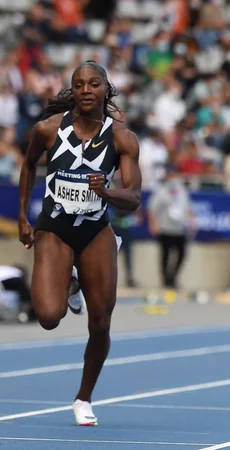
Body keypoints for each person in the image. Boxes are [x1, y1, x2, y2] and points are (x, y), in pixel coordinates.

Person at [17, 61, 142, 426]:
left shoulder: (122, 139)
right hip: (54, 227)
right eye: (79, 85)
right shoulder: (48, 129)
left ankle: (84, 398)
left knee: (101, 321)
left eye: (93, 83)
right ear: (73, 91)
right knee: (49, 318)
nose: (86, 90)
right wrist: (23, 219)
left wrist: (108, 191)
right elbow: (27, 167)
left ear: (106, 89)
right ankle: (70, 282)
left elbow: (134, 198)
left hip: (95, 229)